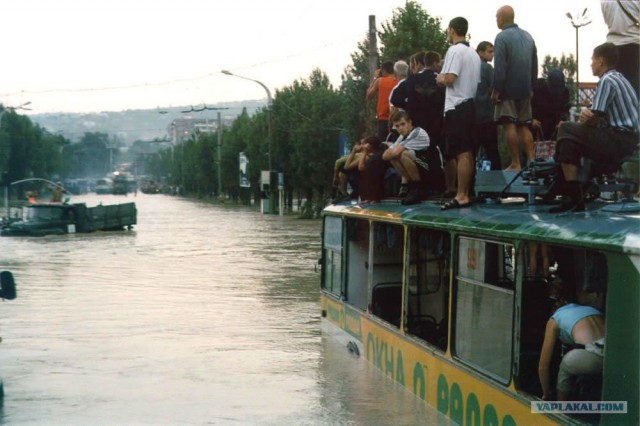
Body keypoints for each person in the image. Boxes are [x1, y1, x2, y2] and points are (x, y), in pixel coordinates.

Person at [550, 42, 639, 213]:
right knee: (569, 143)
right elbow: (597, 118)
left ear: (600, 61)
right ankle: (573, 197)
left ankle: (561, 184)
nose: (590, 64)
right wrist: (587, 118)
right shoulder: (620, 78)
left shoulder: (607, 80)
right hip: (628, 139)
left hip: (619, 139)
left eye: (592, 60)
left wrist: (582, 119)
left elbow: (592, 119)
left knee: (566, 128)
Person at [436, 16, 481, 210]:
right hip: (470, 104)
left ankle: (461, 195)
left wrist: (439, 77)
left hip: (456, 106)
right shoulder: (473, 53)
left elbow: (450, 78)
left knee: (461, 153)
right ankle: (467, 192)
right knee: (468, 152)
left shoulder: (454, 50)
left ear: (452, 30)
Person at [538, 283, 605, 401]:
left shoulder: (554, 319)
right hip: (611, 351)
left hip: (594, 355)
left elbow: (543, 366)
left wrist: (546, 393)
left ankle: (561, 409)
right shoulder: (590, 309)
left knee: (566, 365)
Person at [492, 5, 538, 171]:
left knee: (509, 124)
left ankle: (516, 163)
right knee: (524, 125)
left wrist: (497, 88)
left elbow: (500, 66)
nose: (496, 20)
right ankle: (532, 160)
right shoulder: (528, 37)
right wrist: (532, 86)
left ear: (503, 18)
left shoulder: (502, 37)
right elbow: (535, 65)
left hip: (508, 89)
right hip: (525, 89)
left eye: (497, 17)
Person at [382, 109, 430, 205]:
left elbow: (395, 152)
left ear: (410, 122)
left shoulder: (417, 132)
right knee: (394, 158)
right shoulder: (401, 136)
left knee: (404, 154)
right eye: (397, 126)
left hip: (431, 169)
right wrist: (392, 152)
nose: (400, 128)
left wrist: (393, 151)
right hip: (420, 168)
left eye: (402, 124)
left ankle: (418, 190)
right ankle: (413, 187)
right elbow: (385, 156)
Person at [601, 0, 640, 93]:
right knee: (632, 87)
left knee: (612, 84)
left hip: (611, 46)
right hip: (633, 45)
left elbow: (607, 21)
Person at [475, 41, 501, 170]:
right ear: (480, 52)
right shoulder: (487, 68)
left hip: (472, 116)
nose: (493, 55)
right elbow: (496, 87)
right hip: (487, 115)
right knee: (492, 152)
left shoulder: (470, 67)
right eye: (489, 51)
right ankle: (498, 183)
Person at [345, 135, 388, 203]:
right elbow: (346, 167)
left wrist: (364, 152)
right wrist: (354, 151)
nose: (362, 146)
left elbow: (360, 167)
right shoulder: (375, 154)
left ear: (370, 145)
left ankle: (370, 197)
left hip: (375, 186)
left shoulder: (375, 156)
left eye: (364, 144)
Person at [531, 69, 571, 141]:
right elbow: (527, 108)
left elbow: (565, 110)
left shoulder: (565, 92)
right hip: (537, 127)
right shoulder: (536, 89)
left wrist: (563, 121)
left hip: (555, 127)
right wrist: (531, 120)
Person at [366, 61, 398, 140]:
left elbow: (369, 95)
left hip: (383, 117)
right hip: (396, 116)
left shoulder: (379, 81)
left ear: (383, 70)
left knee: (382, 144)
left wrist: (375, 78)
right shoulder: (398, 82)